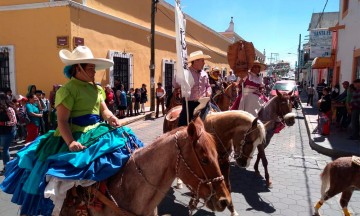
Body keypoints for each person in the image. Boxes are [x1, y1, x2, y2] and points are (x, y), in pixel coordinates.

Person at [0, 46, 143, 215]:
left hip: (97, 129)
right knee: (75, 167)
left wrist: (111, 117)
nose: (94, 72)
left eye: (94, 68)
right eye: (90, 68)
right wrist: (71, 142)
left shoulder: (96, 89)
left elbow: (103, 110)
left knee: (124, 148)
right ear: (78, 68)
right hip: (75, 132)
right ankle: (75, 203)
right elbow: (62, 120)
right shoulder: (67, 90)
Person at [173, 50, 212, 127]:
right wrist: (179, 75)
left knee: (218, 112)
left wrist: (209, 91)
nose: (204, 63)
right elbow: (175, 84)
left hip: (204, 103)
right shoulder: (186, 72)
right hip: (190, 104)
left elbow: (208, 86)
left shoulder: (205, 74)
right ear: (196, 61)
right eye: (202, 61)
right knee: (182, 125)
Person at [0, 93, 17, 176]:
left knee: (4, 150)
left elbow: (14, 121)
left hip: (8, 132)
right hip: (2, 132)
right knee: (2, 150)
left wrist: (3, 123)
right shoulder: (1, 109)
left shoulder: (9, 109)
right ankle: (9, 163)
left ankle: (7, 167)